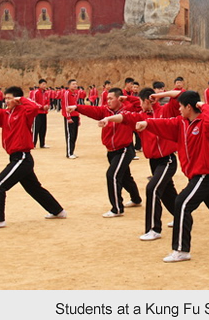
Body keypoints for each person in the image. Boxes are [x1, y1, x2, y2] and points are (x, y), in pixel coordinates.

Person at [136, 91, 209, 263]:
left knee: (181, 203)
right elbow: (164, 123)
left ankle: (181, 250)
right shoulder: (180, 123)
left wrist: (202, 105)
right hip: (196, 175)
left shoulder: (204, 123)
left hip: (204, 174)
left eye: (181, 106)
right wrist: (147, 123)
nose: (178, 109)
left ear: (189, 107)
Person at [0, 86, 66, 230]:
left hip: (22, 158)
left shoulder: (24, 112)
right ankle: (58, 211)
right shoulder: (6, 114)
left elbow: (34, 108)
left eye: (10, 98)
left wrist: (20, 100)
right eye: (6, 98)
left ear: (17, 99)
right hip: (16, 158)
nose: (6, 101)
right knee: (34, 188)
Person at [99, 87, 179, 239]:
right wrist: (108, 119)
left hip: (167, 160)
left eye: (141, 101)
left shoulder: (166, 110)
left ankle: (154, 229)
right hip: (154, 162)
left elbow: (180, 95)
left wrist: (159, 95)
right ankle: (180, 215)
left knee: (152, 189)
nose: (140, 105)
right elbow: (123, 117)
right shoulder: (140, 116)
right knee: (167, 193)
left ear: (147, 101)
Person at [69, 88, 143, 217]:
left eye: (111, 98)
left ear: (119, 99)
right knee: (125, 177)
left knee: (112, 175)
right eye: (107, 99)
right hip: (111, 151)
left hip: (125, 149)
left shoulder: (128, 109)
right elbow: (92, 110)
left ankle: (117, 208)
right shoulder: (104, 110)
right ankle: (136, 199)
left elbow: (139, 104)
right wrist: (76, 107)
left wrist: (128, 98)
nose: (107, 101)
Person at [61, 79, 80, 159]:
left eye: (76, 84)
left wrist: (78, 118)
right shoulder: (66, 93)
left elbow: (76, 106)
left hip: (75, 116)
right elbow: (65, 105)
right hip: (69, 117)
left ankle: (72, 151)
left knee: (75, 135)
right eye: (73, 84)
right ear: (69, 85)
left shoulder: (75, 94)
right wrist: (68, 117)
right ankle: (69, 153)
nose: (75, 85)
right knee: (70, 135)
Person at [32, 79, 51, 149]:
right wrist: (42, 107)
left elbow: (48, 101)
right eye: (43, 84)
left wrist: (47, 106)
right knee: (36, 128)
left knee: (43, 128)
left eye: (45, 84)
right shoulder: (36, 92)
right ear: (39, 85)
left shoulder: (46, 93)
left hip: (44, 113)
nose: (44, 86)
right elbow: (33, 102)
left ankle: (42, 143)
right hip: (37, 113)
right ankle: (32, 144)